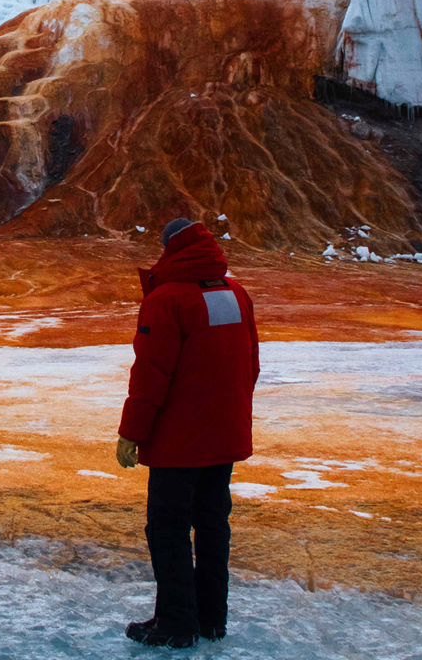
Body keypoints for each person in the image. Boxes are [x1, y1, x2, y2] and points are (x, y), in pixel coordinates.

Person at [115, 218, 260, 648]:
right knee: (214, 525)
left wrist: (131, 433)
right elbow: (250, 364)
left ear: (169, 250)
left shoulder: (167, 300)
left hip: (178, 444)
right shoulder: (236, 294)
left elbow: (151, 375)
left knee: (168, 528)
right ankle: (212, 618)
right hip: (223, 438)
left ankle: (176, 623)